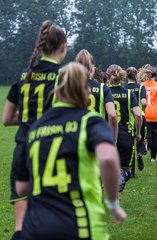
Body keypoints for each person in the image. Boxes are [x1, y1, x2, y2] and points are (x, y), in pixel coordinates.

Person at [14, 62, 127, 240]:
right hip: (78, 224)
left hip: (35, 226)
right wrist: (113, 202)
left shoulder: (36, 128)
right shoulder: (91, 122)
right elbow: (107, 159)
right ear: (85, 91)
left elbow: (21, 188)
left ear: (57, 90)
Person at [2, 20, 67, 240]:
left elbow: (7, 118)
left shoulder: (24, 75)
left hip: (22, 150)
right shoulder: (62, 76)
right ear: (63, 47)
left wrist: (30, 117)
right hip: (50, 151)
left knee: (21, 228)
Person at [108, 64, 142, 184]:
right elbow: (138, 114)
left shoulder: (105, 93)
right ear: (122, 77)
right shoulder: (128, 94)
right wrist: (138, 133)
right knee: (126, 170)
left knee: (106, 170)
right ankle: (120, 179)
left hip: (108, 134)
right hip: (126, 134)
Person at [75, 49, 118, 143]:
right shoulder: (103, 88)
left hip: (75, 136)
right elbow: (112, 115)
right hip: (97, 135)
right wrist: (113, 139)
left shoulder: (70, 87)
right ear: (92, 67)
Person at [125, 66, 147, 174]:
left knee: (130, 143)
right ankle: (139, 152)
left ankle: (132, 172)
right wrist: (144, 109)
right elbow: (143, 102)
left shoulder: (124, 88)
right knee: (142, 140)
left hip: (128, 118)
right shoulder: (141, 87)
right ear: (136, 75)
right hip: (140, 116)